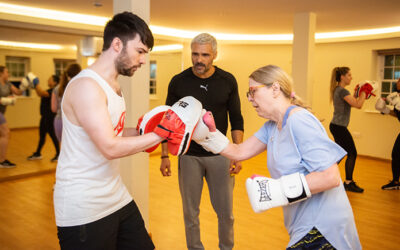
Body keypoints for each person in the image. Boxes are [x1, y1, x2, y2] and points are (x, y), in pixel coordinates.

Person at [193, 64, 361, 250]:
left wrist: (277, 190)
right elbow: (239, 151)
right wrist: (201, 134)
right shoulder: (272, 126)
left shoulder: (299, 120)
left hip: (324, 227)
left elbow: (330, 177)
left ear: (275, 89)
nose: (249, 99)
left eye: (252, 91)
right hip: (301, 225)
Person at [54, 12, 165, 249]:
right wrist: (159, 134)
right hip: (83, 206)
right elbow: (109, 147)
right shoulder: (87, 87)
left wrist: (145, 130)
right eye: (140, 51)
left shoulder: (113, 85)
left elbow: (113, 132)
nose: (144, 60)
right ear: (117, 44)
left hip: (116, 196)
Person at [159, 33, 244, 250]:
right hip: (188, 156)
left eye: (205, 55)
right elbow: (167, 121)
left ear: (214, 55)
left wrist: (238, 152)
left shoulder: (227, 80)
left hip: (221, 155)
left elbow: (236, 119)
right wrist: (164, 155)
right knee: (190, 214)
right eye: (195, 54)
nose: (199, 59)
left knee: (226, 213)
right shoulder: (179, 82)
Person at [329, 67, 368, 193]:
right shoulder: (342, 91)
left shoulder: (339, 90)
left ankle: (322, 173)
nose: (351, 77)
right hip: (339, 127)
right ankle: (348, 182)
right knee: (352, 153)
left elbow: (353, 101)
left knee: (339, 154)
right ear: (342, 77)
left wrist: (358, 93)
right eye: (349, 75)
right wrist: (364, 93)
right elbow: (358, 104)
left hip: (337, 126)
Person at [27, 75, 60, 162]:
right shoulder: (49, 90)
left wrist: (36, 84)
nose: (48, 80)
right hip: (44, 117)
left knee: (53, 135)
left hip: (50, 117)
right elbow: (40, 93)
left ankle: (59, 154)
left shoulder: (54, 90)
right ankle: (38, 153)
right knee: (42, 136)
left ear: (55, 82)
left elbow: (41, 93)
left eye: (50, 79)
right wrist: (35, 85)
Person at [377, 77, 400, 190]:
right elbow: (397, 115)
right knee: (396, 154)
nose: (398, 83)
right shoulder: (395, 97)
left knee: (396, 154)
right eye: (398, 81)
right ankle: (395, 181)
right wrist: (385, 110)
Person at [0, 66, 25, 168]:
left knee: (2, 134)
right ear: (1, 73)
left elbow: (18, 92)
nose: (8, 74)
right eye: (7, 72)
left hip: (1, 112)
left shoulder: (8, 84)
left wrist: (24, 85)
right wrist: (7, 100)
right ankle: (2, 161)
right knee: (6, 133)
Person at [51, 63, 81, 143]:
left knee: (64, 149)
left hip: (59, 121)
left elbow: (53, 109)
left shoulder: (56, 89)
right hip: (73, 123)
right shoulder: (78, 87)